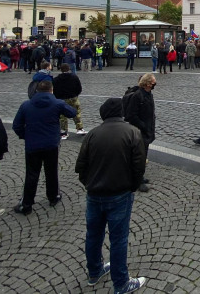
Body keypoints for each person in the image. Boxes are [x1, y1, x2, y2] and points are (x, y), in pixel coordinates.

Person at [76, 98, 147, 294]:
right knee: (118, 239)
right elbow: (139, 166)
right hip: (119, 194)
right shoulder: (132, 132)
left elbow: (80, 167)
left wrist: (90, 184)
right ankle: (122, 283)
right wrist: (131, 186)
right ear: (121, 113)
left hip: (94, 194)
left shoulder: (92, 134)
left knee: (93, 235)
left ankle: (94, 271)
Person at [12, 80, 76, 215]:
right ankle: (53, 197)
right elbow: (72, 113)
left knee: (31, 174)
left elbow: (16, 125)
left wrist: (26, 136)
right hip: (51, 144)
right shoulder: (57, 103)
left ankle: (27, 204)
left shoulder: (26, 105)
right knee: (51, 172)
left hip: (33, 144)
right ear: (51, 90)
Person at [124, 74, 156, 193]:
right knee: (139, 156)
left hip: (147, 130)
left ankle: (140, 177)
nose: (155, 83)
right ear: (148, 84)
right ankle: (137, 181)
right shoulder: (138, 96)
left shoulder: (148, 94)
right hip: (139, 131)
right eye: (153, 81)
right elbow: (131, 115)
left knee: (143, 155)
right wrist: (143, 126)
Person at [53, 63, 85, 139]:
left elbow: (54, 90)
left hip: (61, 99)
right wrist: (76, 94)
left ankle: (64, 132)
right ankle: (79, 128)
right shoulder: (74, 77)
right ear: (69, 69)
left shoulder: (56, 79)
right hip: (73, 97)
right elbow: (79, 88)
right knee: (77, 112)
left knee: (62, 116)